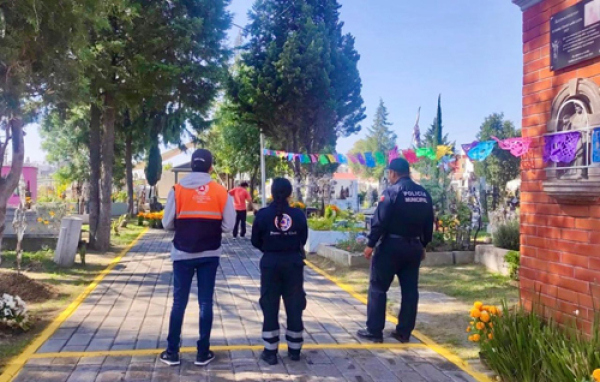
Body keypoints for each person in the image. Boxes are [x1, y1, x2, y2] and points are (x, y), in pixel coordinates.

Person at [160, 149, 235, 367]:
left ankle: (172, 352)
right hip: (210, 253)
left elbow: (166, 223)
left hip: (182, 253)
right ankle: (203, 353)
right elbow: (229, 226)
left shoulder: (177, 189)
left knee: (179, 303)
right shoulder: (221, 191)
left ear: (191, 165)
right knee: (205, 302)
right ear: (211, 167)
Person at [357, 158, 434, 344]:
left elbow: (380, 221)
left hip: (390, 247)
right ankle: (403, 332)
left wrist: (370, 244)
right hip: (413, 248)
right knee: (410, 291)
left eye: (389, 174)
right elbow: (428, 223)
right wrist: (423, 245)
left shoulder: (391, 192)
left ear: (393, 173)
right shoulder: (424, 194)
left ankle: (374, 331)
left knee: (378, 288)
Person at [251, 178, 308, 365]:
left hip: (270, 263)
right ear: (290, 194)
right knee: (294, 305)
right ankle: (294, 350)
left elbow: (255, 240)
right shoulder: (298, 215)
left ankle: (270, 352)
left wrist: (269, 248)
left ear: (272, 193)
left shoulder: (263, 215)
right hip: (293, 263)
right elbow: (303, 238)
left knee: (269, 306)